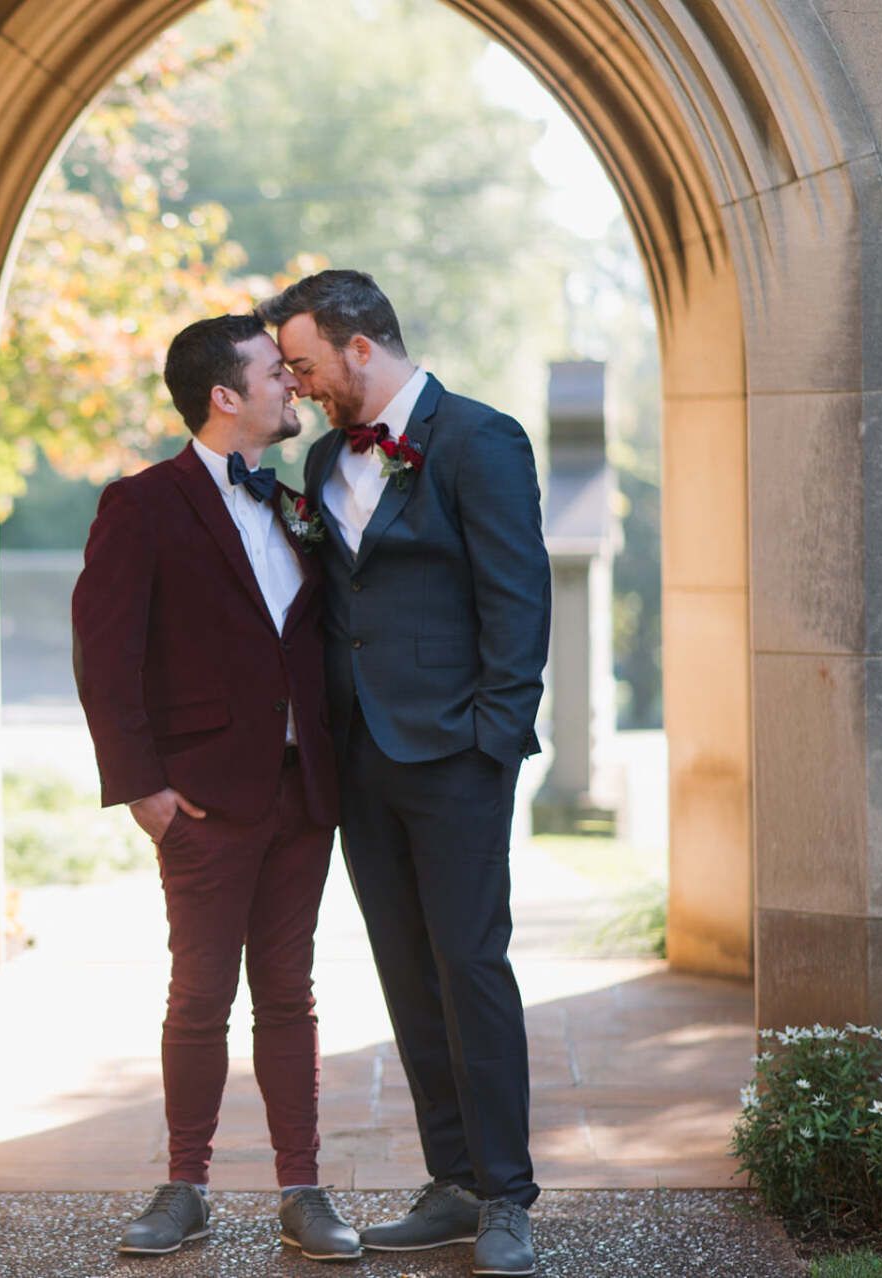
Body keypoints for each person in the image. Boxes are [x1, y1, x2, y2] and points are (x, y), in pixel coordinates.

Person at [258, 269, 550, 1277]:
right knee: (407, 973)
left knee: (471, 966)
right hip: (360, 757)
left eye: (302, 363)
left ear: (360, 349)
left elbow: (518, 601)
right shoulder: (332, 456)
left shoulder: (481, 439)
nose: (295, 385)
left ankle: (508, 1194)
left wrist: (494, 741)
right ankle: (455, 1180)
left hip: (458, 757)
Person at [71, 313, 358, 1260]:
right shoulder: (142, 504)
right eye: (277, 374)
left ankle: (302, 1189)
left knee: (290, 993)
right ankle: (184, 1185)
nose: (295, 386)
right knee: (199, 996)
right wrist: (141, 789)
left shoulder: (291, 502)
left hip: (301, 792)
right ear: (224, 396)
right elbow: (104, 653)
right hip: (199, 799)